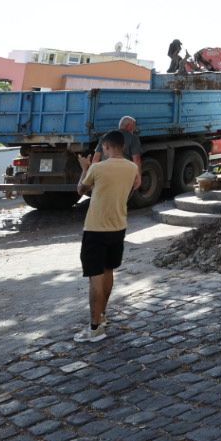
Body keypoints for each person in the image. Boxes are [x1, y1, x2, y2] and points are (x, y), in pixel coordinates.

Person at [74, 130, 140, 342]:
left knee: (95, 277)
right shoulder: (132, 168)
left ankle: (94, 328)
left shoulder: (97, 168)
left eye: (103, 147)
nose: (102, 150)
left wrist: (84, 169)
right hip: (118, 226)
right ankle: (102, 316)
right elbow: (133, 188)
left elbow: (81, 190)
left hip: (95, 228)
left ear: (108, 146)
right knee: (108, 271)